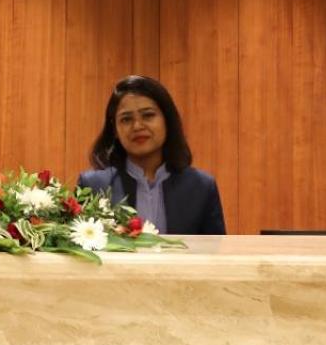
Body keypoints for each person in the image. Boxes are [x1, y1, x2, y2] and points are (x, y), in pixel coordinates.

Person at [77, 75, 226, 235]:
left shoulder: (201, 187)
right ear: (115, 130)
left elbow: (216, 249)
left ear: (166, 120)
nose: (137, 126)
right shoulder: (93, 186)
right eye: (126, 119)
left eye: (148, 115)